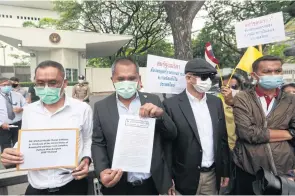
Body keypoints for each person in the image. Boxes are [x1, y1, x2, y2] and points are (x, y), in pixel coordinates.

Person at [1, 60, 93, 195]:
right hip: (37, 187)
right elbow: (26, 141)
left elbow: (88, 139)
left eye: (52, 82)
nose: (46, 87)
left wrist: (86, 159)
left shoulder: (82, 109)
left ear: (64, 83)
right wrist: (11, 154)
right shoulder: (29, 111)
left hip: (72, 184)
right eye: (40, 83)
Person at [91, 57, 177, 195]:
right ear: (112, 79)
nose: (126, 83)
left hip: (151, 183)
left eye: (131, 78)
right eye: (121, 79)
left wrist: (161, 115)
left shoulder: (153, 100)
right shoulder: (101, 107)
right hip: (117, 184)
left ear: (139, 78)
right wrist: (101, 170)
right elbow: (98, 142)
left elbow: (171, 134)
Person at [163, 58, 230, 195]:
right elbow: (167, 145)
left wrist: (225, 170)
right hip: (183, 177)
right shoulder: (171, 105)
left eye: (211, 77)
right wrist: (167, 178)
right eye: (204, 77)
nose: (208, 81)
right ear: (188, 78)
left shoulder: (216, 103)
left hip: (211, 175)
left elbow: (222, 138)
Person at [233, 55, 295, 195]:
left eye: (278, 71)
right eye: (267, 72)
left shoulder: (291, 100)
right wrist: (289, 133)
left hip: (285, 170)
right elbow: (247, 133)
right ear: (254, 75)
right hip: (249, 169)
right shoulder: (243, 98)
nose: (273, 75)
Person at [0, 77, 26, 152]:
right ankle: (8, 163)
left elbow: (26, 105)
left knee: (19, 145)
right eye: (4, 85)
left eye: (8, 85)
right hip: (3, 127)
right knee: (5, 147)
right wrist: (1, 124)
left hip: (17, 125)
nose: (7, 87)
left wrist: (21, 109)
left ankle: (17, 163)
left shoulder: (18, 95)